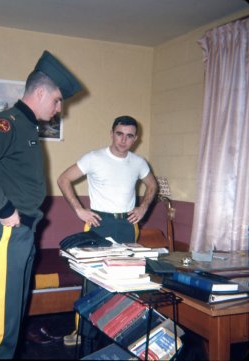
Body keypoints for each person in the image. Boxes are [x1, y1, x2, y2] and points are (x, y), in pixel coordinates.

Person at [0, 50, 82, 359]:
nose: (58, 109)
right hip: (6, 233)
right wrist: (4, 209)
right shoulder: (9, 123)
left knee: (12, 318)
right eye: (56, 101)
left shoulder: (27, 127)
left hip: (23, 233)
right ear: (40, 93)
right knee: (0, 328)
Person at [57, 115, 158, 354]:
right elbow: (63, 179)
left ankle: (121, 330)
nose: (124, 140)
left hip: (127, 226)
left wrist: (143, 207)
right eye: (119, 134)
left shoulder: (139, 162)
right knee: (93, 282)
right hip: (98, 224)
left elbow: (152, 185)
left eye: (130, 136)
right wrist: (79, 210)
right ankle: (84, 334)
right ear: (112, 133)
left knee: (127, 280)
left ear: (136, 138)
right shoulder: (94, 158)